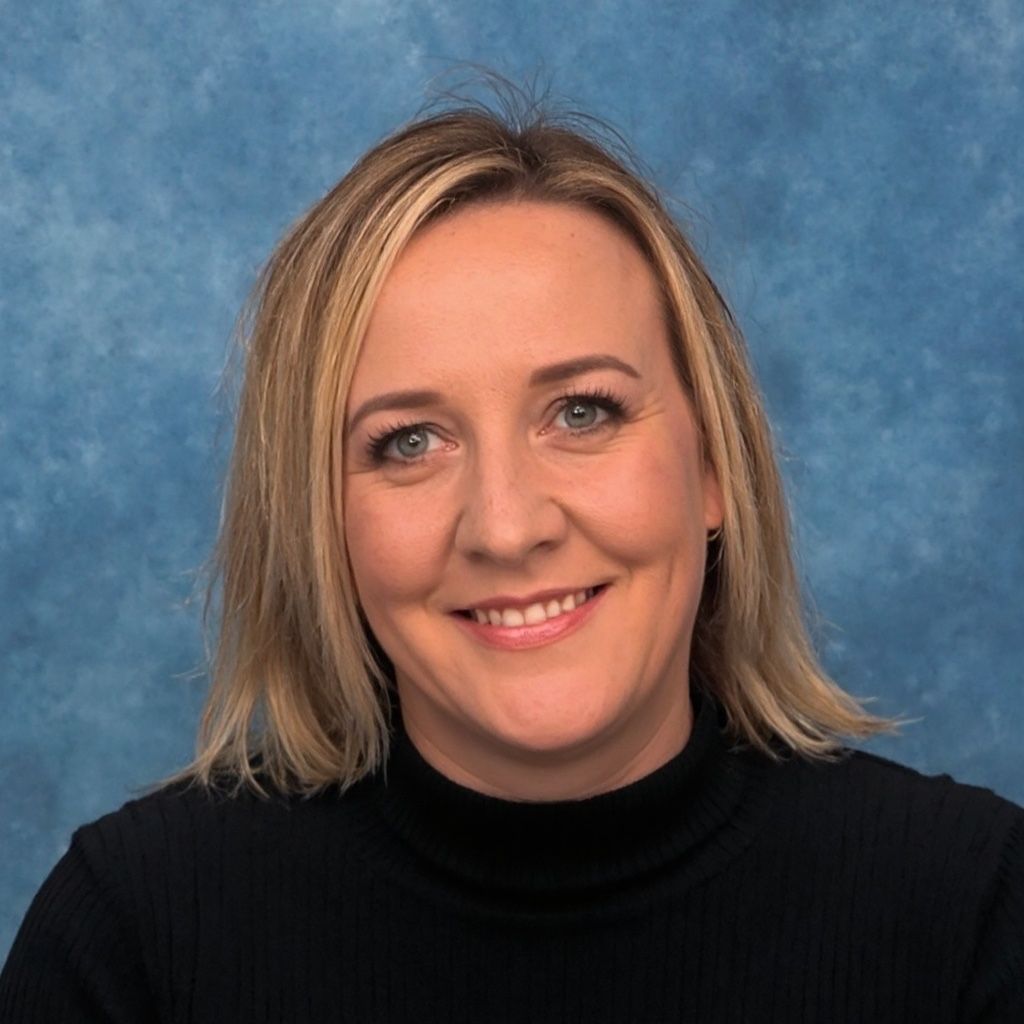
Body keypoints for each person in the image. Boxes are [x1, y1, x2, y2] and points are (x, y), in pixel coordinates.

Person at [2, 89, 1022, 1023]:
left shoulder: (973, 908)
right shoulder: (136, 935)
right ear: (322, 522)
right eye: (407, 440)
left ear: (713, 469)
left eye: (582, 412)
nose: (504, 524)